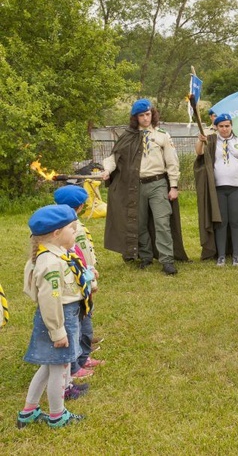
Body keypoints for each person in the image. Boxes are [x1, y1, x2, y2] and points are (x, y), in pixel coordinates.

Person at [17, 205, 88, 429]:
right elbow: (50, 300)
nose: (76, 232)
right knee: (59, 368)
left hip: (61, 317)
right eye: (72, 228)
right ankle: (57, 415)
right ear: (57, 233)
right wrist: (58, 332)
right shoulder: (51, 263)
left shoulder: (60, 256)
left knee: (48, 367)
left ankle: (29, 410)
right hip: (58, 320)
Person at [101, 99, 188, 275]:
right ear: (136, 118)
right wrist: (107, 170)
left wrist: (173, 186)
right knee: (137, 223)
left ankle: (167, 260)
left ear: (152, 114)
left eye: (148, 114)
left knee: (162, 222)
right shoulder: (128, 136)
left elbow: (172, 163)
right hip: (135, 186)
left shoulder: (162, 135)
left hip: (158, 184)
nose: (145, 118)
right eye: (141, 115)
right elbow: (114, 157)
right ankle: (145, 256)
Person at [194, 113, 238, 266]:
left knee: (236, 222)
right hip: (218, 188)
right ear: (216, 128)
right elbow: (199, 153)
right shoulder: (211, 142)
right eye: (221, 126)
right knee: (221, 222)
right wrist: (200, 140)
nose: (224, 129)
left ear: (231, 126)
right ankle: (221, 255)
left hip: (237, 188)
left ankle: (237, 255)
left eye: (227, 126)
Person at [54, 185, 104, 381]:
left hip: (80, 278)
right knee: (81, 322)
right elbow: (82, 255)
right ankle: (77, 363)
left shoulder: (60, 227)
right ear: (82, 206)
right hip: (79, 281)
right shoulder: (75, 228)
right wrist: (90, 276)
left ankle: (83, 357)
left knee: (83, 321)